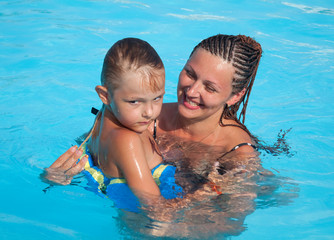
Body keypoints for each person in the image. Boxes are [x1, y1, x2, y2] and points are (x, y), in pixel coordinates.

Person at [44, 33, 262, 198]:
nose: (192, 91)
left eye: (210, 88)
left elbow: (228, 223)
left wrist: (197, 202)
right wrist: (58, 177)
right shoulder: (143, 118)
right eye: (190, 73)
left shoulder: (237, 156)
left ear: (235, 96)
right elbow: (96, 154)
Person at [42, 38, 183, 211]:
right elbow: (154, 204)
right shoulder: (127, 140)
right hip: (142, 213)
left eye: (157, 98)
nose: (149, 112)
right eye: (134, 101)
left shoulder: (103, 116)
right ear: (104, 95)